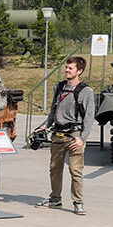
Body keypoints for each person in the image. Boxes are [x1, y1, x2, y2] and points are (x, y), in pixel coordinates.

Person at [32, 56, 95, 215]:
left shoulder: (86, 91)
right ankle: (55, 199)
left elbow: (89, 117)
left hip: (75, 136)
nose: (67, 71)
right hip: (57, 135)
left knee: (75, 171)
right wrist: (45, 126)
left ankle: (78, 202)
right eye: (66, 68)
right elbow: (54, 110)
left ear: (79, 71)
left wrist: (82, 138)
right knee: (54, 169)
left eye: (70, 68)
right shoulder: (59, 87)